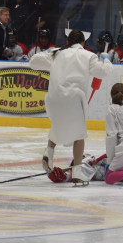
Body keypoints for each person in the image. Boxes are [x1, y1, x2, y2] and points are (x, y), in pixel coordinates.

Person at [28, 29, 113, 175]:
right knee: (78, 135)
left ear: (68, 41)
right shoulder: (89, 56)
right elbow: (104, 72)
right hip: (73, 99)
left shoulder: (56, 53)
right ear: (83, 42)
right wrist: (106, 60)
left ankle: (49, 152)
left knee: (57, 126)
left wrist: (46, 53)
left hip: (54, 99)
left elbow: (33, 62)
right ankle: (78, 171)